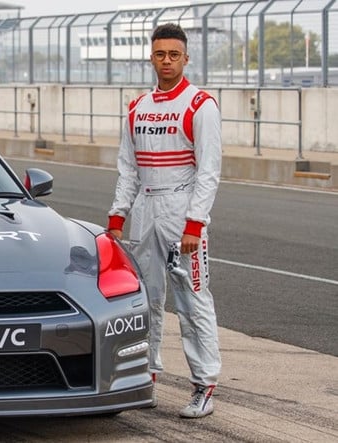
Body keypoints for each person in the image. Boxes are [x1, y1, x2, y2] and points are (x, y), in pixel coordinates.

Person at [106, 23, 222, 419]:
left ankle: (204, 385)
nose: (167, 61)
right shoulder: (137, 107)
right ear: (151, 57)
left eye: (174, 54)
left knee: (192, 300)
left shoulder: (200, 104)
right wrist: (118, 216)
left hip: (181, 209)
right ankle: (146, 376)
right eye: (160, 54)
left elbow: (209, 171)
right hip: (145, 209)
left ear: (186, 58)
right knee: (146, 299)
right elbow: (128, 168)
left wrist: (195, 224)